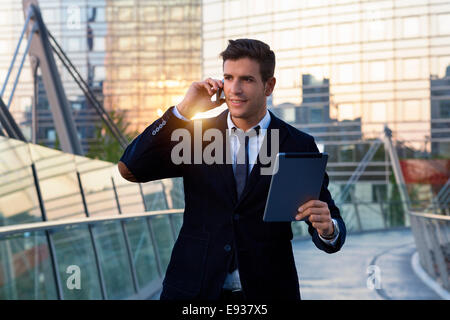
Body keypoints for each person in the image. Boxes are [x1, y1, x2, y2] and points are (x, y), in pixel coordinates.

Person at [118, 39, 346, 301]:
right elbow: (131, 167)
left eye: (247, 79)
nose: (235, 89)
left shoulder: (298, 144)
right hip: (194, 291)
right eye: (228, 77)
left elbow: (330, 224)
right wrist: (182, 111)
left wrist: (328, 229)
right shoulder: (196, 136)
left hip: (267, 292)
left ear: (269, 85)